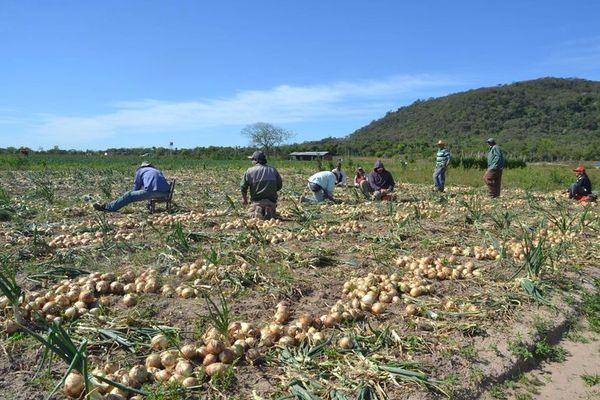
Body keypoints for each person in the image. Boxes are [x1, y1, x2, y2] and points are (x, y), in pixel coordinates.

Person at [93, 162, 170, 212]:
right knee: (148, 190)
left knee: (128, 195)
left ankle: (108, 207)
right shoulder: (156, 170)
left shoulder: (140, 171)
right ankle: (109, 206)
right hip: (165, 193)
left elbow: (137, 186)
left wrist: (132, 196)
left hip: (153, 192)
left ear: (141, 167)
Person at [241, 150, 283, 219]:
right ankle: (269, 210)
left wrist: (245, 200)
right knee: (272, 212)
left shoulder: (250, 171)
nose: (251, 162)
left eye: (252, 160)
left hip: (257, 202)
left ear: (256, 160)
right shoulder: (273, 170)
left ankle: (257, 211)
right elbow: (279, 186)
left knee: (250, 213)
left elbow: (243, 187)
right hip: (271, 202)